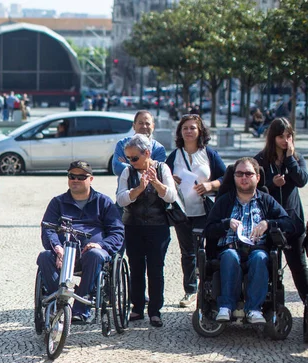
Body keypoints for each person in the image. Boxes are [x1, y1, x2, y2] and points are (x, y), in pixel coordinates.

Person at [205, 157, 293, 323]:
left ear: (257, 177)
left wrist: (268, 223)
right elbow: (208, 230)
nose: (243, 177)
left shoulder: (266, 200)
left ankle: (254, 308)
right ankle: (226, 306)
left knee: (260, 258)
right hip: (230, 248)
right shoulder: (225, 201)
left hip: (257, 248)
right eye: (239, 174)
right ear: (234, 177)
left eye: (248, 174)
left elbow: (289, 223)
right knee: (230, 256)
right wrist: (225, 223)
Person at [37, 160, 125, 322]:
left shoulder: (103, 202)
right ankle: (60, 303)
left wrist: (100, 245)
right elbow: (48, 229)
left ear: (90, 179)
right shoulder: (57, 202)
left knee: (95, 255)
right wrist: (57, 248)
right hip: (64, 254)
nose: (75, 180)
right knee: (44, 256)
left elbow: (117, 232)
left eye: (81, 177)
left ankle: (80, 308)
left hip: (92, 255)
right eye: (72, 176)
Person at [116, 134, 178, 327]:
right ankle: (137, 307)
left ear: (147, 153)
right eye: (128, 158)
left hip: (157, 226)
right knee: (135, 267)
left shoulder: (162, 168)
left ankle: (155, 311)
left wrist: (156, 183)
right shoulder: (128, 172)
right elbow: (120, 199)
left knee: (156, 268)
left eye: (135, 158)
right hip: (133, 225)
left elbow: (171, 196)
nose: (131, 162)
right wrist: (138, 189)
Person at [165, 114, 226, 308]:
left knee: (208, 249)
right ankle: (190, 290)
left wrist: (210, 185)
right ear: (180, 132)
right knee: (187, 252)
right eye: (185, 128)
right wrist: (171, 180)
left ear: (200, 131)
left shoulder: (209, 154)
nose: (189, 131)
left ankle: (209, 287)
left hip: (205, 210)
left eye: (192, 128)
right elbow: (162, 178)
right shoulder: (174, 156)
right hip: (182, 212)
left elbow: (226, 178)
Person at [254, 118, 308, 306]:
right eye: (281, 136)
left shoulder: (297, 158)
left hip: (293, 221)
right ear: (272, 137)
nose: (285, 140)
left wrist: (290, 159)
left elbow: (302, 181)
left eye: (289, 136)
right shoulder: (260, 159)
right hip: (269, 221)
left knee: (299, 267)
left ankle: (306, 301)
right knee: (269, 264)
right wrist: (271, 184)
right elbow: (252, 189)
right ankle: (270, 305)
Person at [112, 110, 167, 178]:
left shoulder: (159, 149)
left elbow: (158, 172)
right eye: (140, 123)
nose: (144, 126)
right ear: (134, 126)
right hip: (127, 188)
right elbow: (117, 169)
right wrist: (145, 165)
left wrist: (128, 165)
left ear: (153, 126)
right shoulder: (122, 144)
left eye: (147, 123)